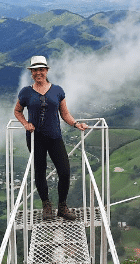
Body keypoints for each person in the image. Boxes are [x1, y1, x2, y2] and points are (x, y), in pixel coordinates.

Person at [14, 55, 88, 221]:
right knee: (39, 172)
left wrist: (76, 124)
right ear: (31, 72)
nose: (38, 72)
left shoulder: (58, 90)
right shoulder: (26, 92)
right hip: (35, 138)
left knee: (64, 171)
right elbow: (17, 111)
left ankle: (62, 206)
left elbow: (65, 114)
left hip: (55, 137)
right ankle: (46, 205)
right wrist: (25, 123)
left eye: (41, 69)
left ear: (47, 71)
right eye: (35, 70)